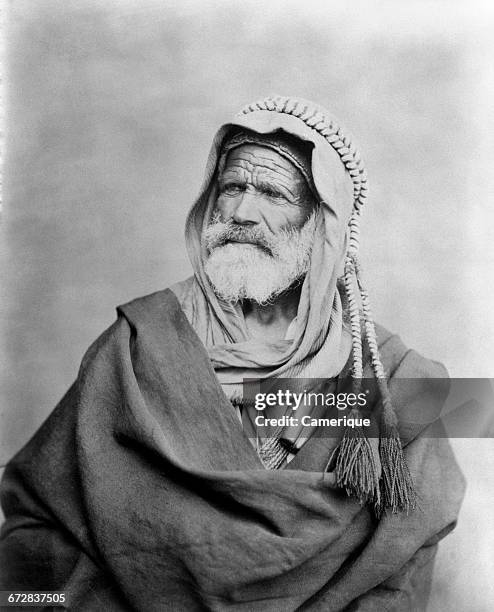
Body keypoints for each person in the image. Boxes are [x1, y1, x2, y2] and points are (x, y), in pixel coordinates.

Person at [0, 96, 465, 611]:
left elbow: (400, 563)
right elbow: (37, 522)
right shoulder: (138, 345)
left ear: (323, 225)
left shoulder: (390, 377)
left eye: (272, 192)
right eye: (232, 188)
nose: (242, 212)